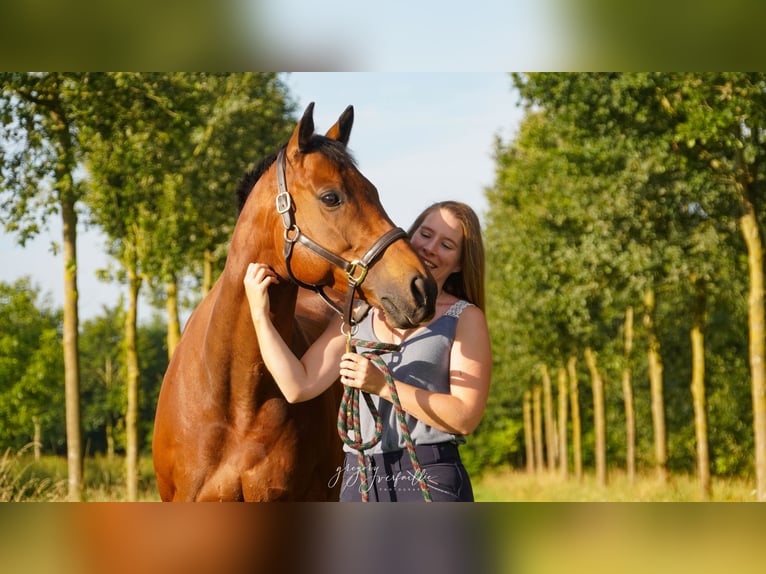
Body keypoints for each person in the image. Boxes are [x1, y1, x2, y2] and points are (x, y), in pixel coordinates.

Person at [244, 201, 491, 502]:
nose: (430, 248)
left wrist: (384, 386)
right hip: (358, 475)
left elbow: (465, 417)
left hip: (430, 473)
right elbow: (298, 385)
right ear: (410, 235)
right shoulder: (360, 312)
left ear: (460, 264)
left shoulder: (464, 317)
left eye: (447, 245)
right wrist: (260, 315)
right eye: (425, 234)